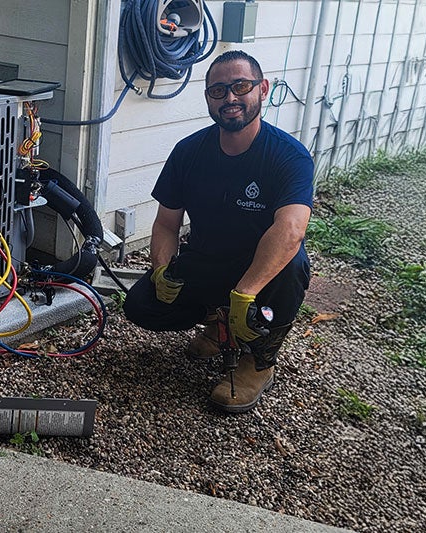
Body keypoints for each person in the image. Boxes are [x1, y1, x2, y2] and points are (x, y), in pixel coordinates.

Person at [123, 50, 313, 413]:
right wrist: (162, 270)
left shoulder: (289, 156)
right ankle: (219, 321)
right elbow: (166, 223)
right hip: (208, 257)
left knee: (293, 265)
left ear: (263, 89)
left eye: (241, 87)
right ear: (208, 97)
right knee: (142, 306)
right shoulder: (189, 152)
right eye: (218, 90)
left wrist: (246, 293)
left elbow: (291, 229)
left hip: (261, 270)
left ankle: (259, 362)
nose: (230, 98)